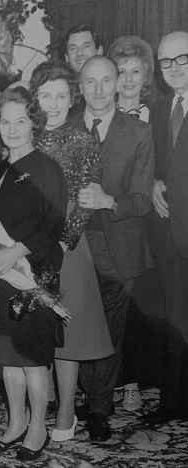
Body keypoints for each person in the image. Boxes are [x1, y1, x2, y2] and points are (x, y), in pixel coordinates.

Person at [0, 86, 66, 461]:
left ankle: (38, 428)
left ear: (34, 124)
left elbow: (53, 226)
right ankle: (15, 423)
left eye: (21, 121)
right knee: (7, 356)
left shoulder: (47, 169)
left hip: (32, 275)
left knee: (31, 358)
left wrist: (16, 250)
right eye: (5, 121)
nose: (12, 129)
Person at [72, 56, 154, 441]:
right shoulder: (64, 126)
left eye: (107, 81)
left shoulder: (138, 132)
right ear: (81, 86)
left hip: (119, 246)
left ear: (118, 83)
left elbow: (142, 200)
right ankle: (85, 395)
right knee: (76, 322)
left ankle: (99, 407)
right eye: (91, 82)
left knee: (110, 331)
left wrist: (107, 200)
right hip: (73, 246)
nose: (100, 90)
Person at [30, 61, 113, 442]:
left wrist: (63, 241)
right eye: (47, 95)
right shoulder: (24, 135)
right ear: (35, 98)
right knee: (33, 331)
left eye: (62, 95)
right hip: (28, 242)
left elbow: (86, 199)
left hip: (68, 246)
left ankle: (66, 415)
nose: (55, 103)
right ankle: (36, 412)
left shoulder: (82, 138)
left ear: (72, 97)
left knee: (69, 336)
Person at [108, 34, 155, 412]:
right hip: (112, 226)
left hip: (154, 228)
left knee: (140, 314)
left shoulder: (158, 116)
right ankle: (116, 382)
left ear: (146, 77)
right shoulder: (100, 115)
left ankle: (136, 380)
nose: (127, 80)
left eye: (135, 72)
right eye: (120, 71)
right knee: (113, 312)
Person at [144, 30, 188, 425]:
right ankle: (174, 399)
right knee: (174, 317)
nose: (173, 68)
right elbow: (158, 165)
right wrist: (155, 181)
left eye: (182, 59)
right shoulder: (158, 110)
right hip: (168, 235)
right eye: (166, 62)